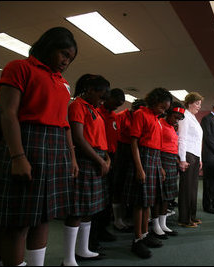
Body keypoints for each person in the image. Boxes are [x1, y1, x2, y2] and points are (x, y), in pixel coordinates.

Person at [0, 27, 78, 266]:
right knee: (18, 221)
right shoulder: (19, 67)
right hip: (27, 142)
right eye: (63, 54)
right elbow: (8, 114)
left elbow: (65, 124)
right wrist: (18, 156)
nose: (65, 61)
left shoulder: (63, 83)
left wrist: (71, 157)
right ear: (48, 46)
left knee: (44, 216)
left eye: (70, 59)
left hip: (56, 148)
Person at [63, 74, 111, 266]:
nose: (102, 101)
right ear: (90, 90)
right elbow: (78, 137)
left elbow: (100, 137)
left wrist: (107, 158)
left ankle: (83, 250)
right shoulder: (77, 105)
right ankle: (68, 258)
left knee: (89, 208)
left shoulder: (94, 109)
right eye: (100, 96)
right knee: (77, 209)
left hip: (98, 158)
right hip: (86, 159)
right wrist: (100, 160)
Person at [124, 88, 172, 259]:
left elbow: (157, 146)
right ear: (153, 101)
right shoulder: (140, 114)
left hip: (154, 160)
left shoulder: (156, 119)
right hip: (143, 159)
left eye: (165, 109)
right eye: (161, 107)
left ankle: (144, 234)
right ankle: (137, 240)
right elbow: (134, 142)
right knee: (139, 202)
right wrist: (139, 168)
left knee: (148, 202)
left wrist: (160, 166)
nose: (163, 111)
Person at [89, 88, 125, 251]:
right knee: (96, 200)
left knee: (108, 197)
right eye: (116, 103)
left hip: (113, 159)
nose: (117, 107)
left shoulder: (114, 117)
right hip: (99, 157)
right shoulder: (97, 112)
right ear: (108, 98)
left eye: (120, 105)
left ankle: (103, 229)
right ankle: (92, 237)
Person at [151, 102, 185, 238]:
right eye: (176, 117)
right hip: (162, 160)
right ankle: (155, 225)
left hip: (171, 161)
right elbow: (157, 146)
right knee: (159, 196)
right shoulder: (160, 124)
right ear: (169, 113)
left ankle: (163, 223)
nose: (177, 120)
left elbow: (173, 145)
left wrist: (177, 161)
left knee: (167, 196)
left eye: (179, 118)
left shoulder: (172, 127)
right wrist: (159, 166)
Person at [112, 99, 146, 232]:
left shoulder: (142, 116)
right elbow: (116, 137)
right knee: (118, 186)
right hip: (122, 151)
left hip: (136, 151)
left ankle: (130, 217)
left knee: (131, 186)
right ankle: (117, 219)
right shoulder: (120, 116)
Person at [177, 92, 204, 227]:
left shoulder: (193, 118)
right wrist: (182, 159)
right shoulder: (184, 117)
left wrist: (200, 158)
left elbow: (198, 141)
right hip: (187, 155)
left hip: (195, 156)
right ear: (189, 103)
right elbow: (181, 138)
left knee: (193, 188)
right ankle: (184, 219)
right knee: (186, 189)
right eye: (197, 103)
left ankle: (191, 216)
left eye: (200, 104)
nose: (199, 106)